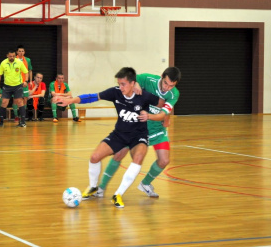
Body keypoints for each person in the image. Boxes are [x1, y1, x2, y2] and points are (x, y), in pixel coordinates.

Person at [55, 67, 165, 208]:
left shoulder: (144, 96)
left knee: (138, 158)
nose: (121, 87)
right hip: (119, 134)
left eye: (123, 84)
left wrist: (158, 116)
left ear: (133, 83)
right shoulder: (115, 92)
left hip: (138, 136)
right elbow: (93, 96)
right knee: (94, 157)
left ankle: (118, 194)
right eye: (119, 84)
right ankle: (93, 187)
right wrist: (71, 101)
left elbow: (162, 104)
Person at [96, 67, 181, 199]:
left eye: (171, 86)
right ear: (161, 77)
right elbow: (131, 81)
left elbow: (163, 114)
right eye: (165, 83)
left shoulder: (174, 94)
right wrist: (136, 84)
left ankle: (145, 183)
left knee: (164, 160)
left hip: (156, 128)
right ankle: (100, 187)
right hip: (136, 128)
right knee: (119, 154)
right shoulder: (147, 79)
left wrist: (151, 116)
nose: (167, 88)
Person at [0, 49, 29, 127]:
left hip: (17, 86)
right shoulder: (3, 63)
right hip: (7, 86)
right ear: (7, 56)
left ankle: (23, 122)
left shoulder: (19, 62)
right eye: (10, 56)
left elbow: (26, 72)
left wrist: (26, 81)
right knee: (4, 102)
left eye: (13, 56)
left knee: (20, 102)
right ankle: (1, 122)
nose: (12, 57)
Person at [11, 44, 32, 122]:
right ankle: (16, 116)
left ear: (24, 52)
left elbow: (30, 70)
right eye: (19, 51)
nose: (21, 52)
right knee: (15, 100)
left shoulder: (28, 60)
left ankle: (21, 116)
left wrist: (29, 81)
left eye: (22, 51)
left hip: (25, 82)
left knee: (25, 99)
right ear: (17, 52)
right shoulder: (13, 59)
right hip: (16, 83)